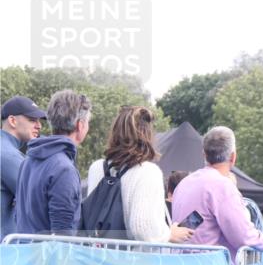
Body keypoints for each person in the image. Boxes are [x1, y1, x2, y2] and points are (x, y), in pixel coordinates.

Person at [170, 126, 263, 264]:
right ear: (233, 157)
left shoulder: (184, 183)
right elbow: (243, 236)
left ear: (204, 154)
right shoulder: (223, 187)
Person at [86, 106, 193, 243]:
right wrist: (170, 234)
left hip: (96, 252)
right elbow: (143, 229)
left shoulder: (97, 167)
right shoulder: (148, 172)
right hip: (132, 255)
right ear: (147, 135)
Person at [15, 90, 90, 234]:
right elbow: (62, 235)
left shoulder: (28, 160)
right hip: (47, 249)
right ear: (80, 125)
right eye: (88, 122)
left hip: (24, 247)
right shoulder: (64, 169)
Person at [1, 96, 46, 238]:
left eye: (39, 121)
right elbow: (39, 199)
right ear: (13, 121)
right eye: (32, 120)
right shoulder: (8, 155)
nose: (39, 126)